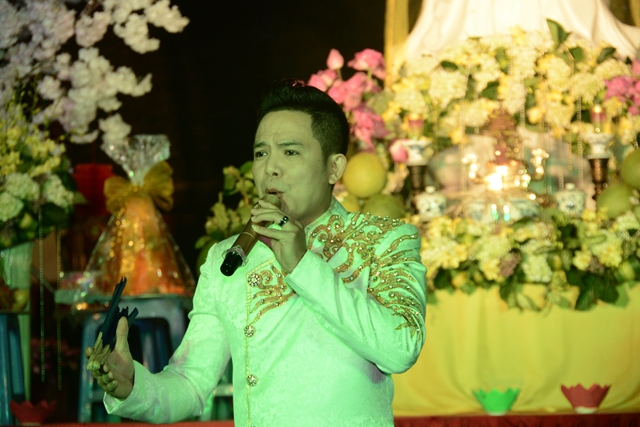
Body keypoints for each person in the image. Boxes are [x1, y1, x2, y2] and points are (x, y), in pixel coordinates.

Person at [85, 80, 427, 427]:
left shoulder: (384, 240)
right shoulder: (227, 258)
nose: (270, 168)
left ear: (334, 168)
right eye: (261, 153)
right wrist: (133, 386)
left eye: (290, 152)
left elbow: (400, 347)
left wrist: (302, 264)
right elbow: (190, 383)